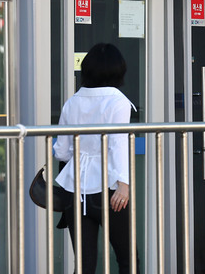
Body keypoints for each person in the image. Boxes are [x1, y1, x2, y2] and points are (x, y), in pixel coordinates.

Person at [53, 43, 138, 274]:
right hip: (109, 189)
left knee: (84, 265)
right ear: (118, 70)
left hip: (74, 189)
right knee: (128, 260)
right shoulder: (118, 101)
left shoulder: (72, 102)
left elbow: (61, 152)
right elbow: (118, 143)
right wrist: (124, 184)